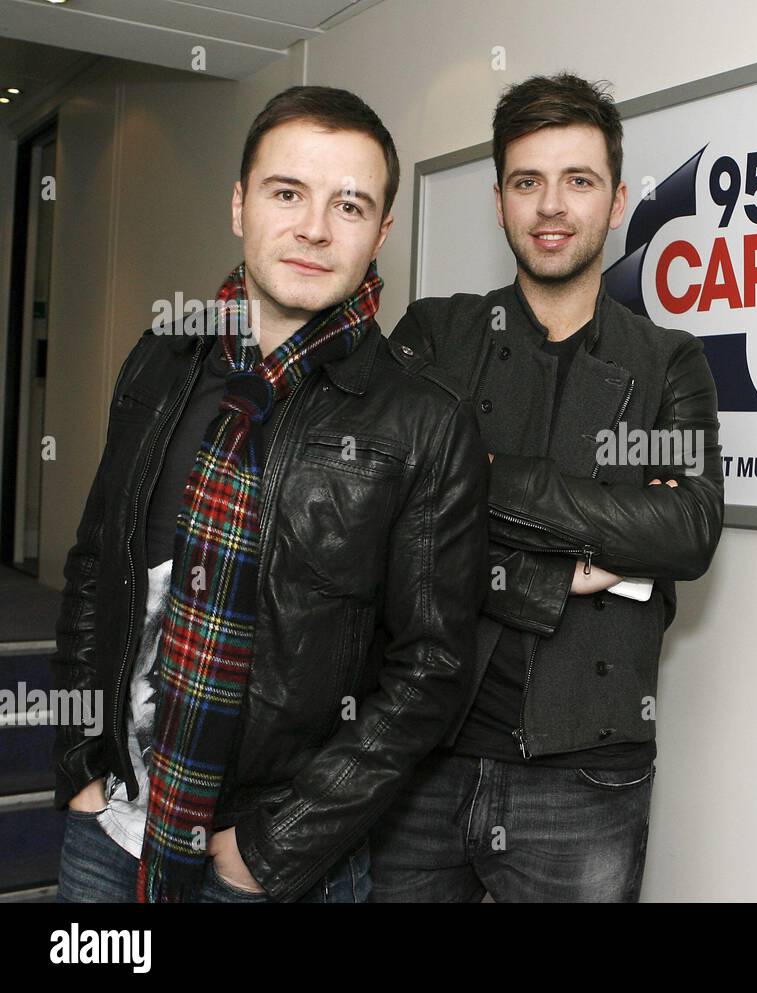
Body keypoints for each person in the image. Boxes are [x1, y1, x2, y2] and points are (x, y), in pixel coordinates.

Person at [50, 85, 489, 903]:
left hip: (268, 866)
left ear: (382, 231)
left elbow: (431, 672)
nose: (315, 228)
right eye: (288, 192)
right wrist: (82, 761)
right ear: (239, 202)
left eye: (349, 205)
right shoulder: (162, 357)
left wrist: (275, 843)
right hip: (110, 825)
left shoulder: (425, 421)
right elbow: (92, 568)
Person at [370, 72, 723, 902]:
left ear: (618, 199)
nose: (552, 206)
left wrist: (488, 481)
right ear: (499, 201)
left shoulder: (667, 360)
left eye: (579, 181)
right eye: (528, 182)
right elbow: (389, 516)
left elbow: (685, 530)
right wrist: (560, 572)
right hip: (420, 755)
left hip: (585, 776)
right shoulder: (437, 333)